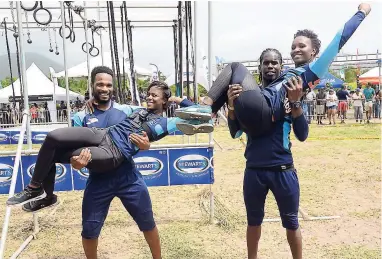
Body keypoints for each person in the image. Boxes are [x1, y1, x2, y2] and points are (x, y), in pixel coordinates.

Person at [7, 67, 212, 207]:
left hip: (113, 152)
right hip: (103, 135)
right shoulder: (136, 109)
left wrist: (177, 99)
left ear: (165, 101)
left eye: (155, 95)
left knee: (56, 154)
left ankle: (46, 195)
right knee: (53, 139)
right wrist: (92, 101)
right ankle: (38, 190)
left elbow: (203, 111)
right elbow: (108, 102)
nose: (150, 97)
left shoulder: (169, 122)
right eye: (148, 94)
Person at [175, 3, 371, 135]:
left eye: (302, 46)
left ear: (314, 52)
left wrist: (362, 12)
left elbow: (339, 39)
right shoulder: (288, 74)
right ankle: (204, 114)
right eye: (293, 46)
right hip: (262, 117)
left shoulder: (313, 70)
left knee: (235, 67)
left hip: (266, 108)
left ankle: (205, 107)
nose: (296, 49)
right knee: (232, 88)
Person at [227, 48, 307, 259]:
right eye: (266, 63)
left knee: (291, 222)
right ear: (259, 67)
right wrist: (232, 107)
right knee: (253, 221)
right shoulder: (248, 97)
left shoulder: (289, 92)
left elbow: (302, 135)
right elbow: (235, 133)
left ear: (281, 66)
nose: (270, 66)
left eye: (275, 63)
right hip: (254, 170)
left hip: (283, 169)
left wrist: (296, 103)